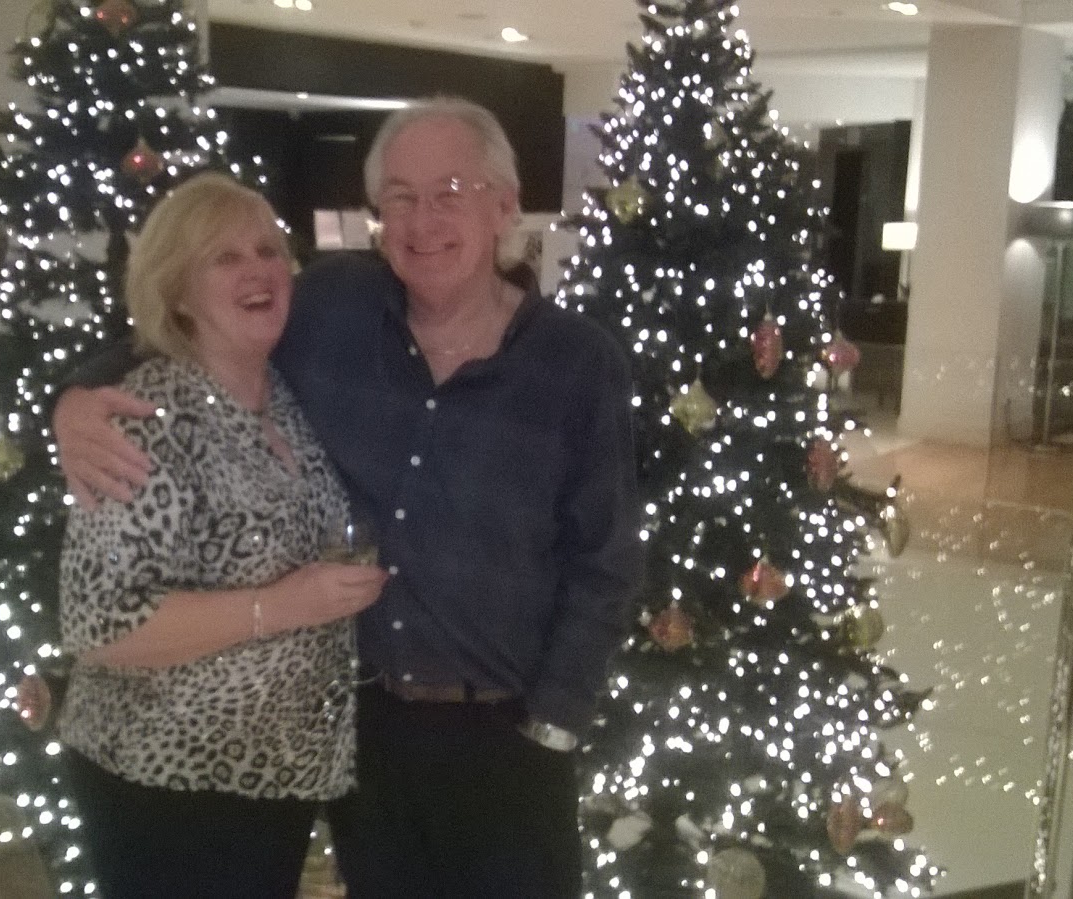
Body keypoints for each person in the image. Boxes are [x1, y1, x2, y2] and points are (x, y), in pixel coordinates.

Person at [57, 98, 642, 897]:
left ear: (504, 205)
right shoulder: (332, 307)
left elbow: (605, 559)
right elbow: (192, 321)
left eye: (449, 192)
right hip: (366, 738)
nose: (422, 220)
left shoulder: (577, 362)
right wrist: (73, 397)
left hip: (506, 736)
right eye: (400, 196)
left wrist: (554, 721)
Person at [56, 172, 389, 899]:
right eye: (225, 257)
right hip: (167, 777)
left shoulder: (286, 395)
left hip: (273, 779)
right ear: (178, 292)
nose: (258, 270)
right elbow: (100, 621)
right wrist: (284, 605)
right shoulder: (147, 417)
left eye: (268, 250)